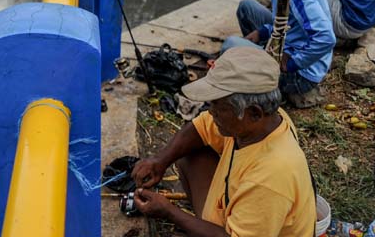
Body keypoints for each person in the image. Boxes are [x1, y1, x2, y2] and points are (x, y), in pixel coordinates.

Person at [131, 47, 316, 236]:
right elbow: (201, 127)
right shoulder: (265, 122)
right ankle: (204, 225)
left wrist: (170, 212)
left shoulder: (270, 177)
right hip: (233, 211)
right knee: (189, 154)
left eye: (218, 106)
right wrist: (160, 161)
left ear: (254, 113)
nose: (211, 112)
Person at [226, 0, 335, 106]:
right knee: (247, 7)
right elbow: (289, 22)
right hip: (289, 45)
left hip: (301, 75)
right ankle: (261, 62)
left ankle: (266, 91)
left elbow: (326, 38)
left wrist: (292, 63)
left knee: (231, 45)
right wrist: (263, 32)